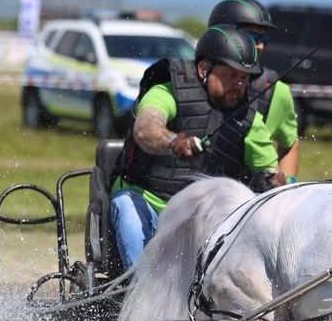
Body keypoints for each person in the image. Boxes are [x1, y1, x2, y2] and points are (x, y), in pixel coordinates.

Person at [109, 26, 284, 270]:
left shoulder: (250, 119)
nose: (239, 84)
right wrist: (173, 142)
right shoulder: (166, 92)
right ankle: (138, 286)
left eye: (245, 78)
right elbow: (145, 129)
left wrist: (275, 181)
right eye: (231, 75)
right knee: (127, 207)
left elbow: (268, 170)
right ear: (204, 70)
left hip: (203, 216)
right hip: (149, 203)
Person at [208, 0, 300, 182]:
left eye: (265, 38)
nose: (260, 46)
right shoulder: (185, 79)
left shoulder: (276, 91)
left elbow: (290, 143)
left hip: (243, 203)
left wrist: (287, 188)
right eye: (252, 37)